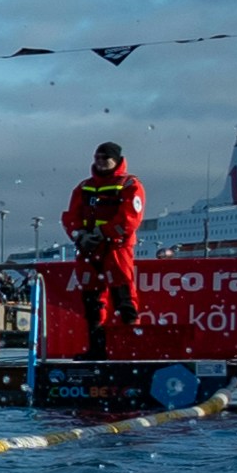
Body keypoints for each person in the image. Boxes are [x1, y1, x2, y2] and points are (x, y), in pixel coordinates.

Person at [62, 142, 146, 361]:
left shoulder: (129, 185)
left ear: (116, 160)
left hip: (116, 249)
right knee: (92, 301)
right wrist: (79, 235)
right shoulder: (84, 187)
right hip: (89, 250)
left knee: (124, 298)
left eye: (104, 158)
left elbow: (130, 218)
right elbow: (71, 216)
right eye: (97, 158)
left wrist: (103, 233)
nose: (99, 162)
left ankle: (131, 349)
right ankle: (97, 350)